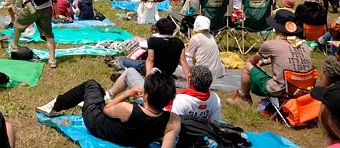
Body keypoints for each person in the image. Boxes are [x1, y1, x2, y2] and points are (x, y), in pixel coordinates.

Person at [36, 69, 180, 148]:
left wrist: (126, 93)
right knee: (97, 92)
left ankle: (54, 106)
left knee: (91, 84)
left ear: (146, 95)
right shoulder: (173, 121)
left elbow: (107, 109)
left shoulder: (128, 109)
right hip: (133, 141)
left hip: (96, 124)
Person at [227, 9, 313, 105]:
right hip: (304, 89)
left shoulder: (271, 45)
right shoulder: (304, 46)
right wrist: (264, 62)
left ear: (277, 28)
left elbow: (252, 61)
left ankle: (243, 98)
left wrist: (259, 64)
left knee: (248, 65)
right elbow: (288, 58)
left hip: (282, 90)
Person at [108, 17, 188, 99]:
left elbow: (150, 60)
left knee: (127, 64)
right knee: (137, 63)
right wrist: (189, 81)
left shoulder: (153, 41)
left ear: (158, 29)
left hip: (152, 78)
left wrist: (147, 80)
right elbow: (183, 61)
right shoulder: (179, 42)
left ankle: (109, 94)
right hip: (167, 76)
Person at [176, 15, 224, 81]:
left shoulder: (195, 38)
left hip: (201, 73)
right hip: (217, 73)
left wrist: (189, 74)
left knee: (175, 68)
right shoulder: (210, 36)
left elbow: (188, 59)